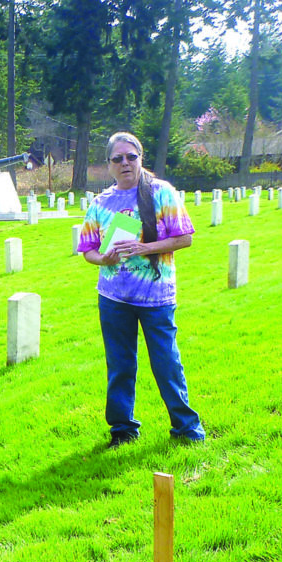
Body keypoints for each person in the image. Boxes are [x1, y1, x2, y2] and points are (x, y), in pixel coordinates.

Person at [77, 132, 205, 448]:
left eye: (131, 157)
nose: (125, 163)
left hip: (156, 297)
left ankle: (187, 428)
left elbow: (184, 238)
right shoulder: (101, 202)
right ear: (108, 164)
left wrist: (145, 247)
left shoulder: (161, 193)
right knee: (120, 365)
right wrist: (102, 258)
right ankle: (122, 429)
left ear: (141, 158)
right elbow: (88, 249)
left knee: (166, 363)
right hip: (113, 298)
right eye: (117, 158)